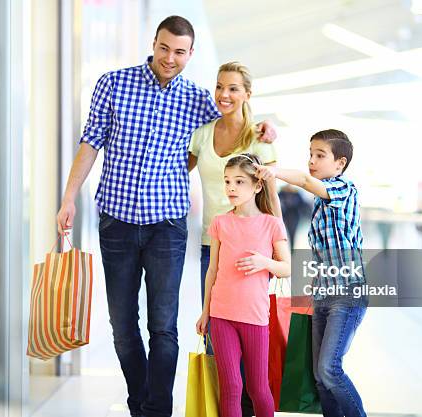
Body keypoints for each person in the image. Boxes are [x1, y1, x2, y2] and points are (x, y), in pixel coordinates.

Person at [55, 16, 275, 417]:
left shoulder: (197, 99)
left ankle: (156, 410)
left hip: (167, 227)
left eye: (179, 52)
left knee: (164, 327)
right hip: (117, 222)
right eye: (164, 48)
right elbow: (90, 143)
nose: (169, 58)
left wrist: (265, 127)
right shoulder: (113, 83)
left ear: (190, 54)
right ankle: (139, 401)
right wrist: (69, 197)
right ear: (153, 43)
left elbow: (234, 116)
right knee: (122, 327)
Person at [188, 61, 280, 416]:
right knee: (217, 339)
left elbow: (270, 194)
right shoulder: (202, 134)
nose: (224, 95)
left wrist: (277, 242)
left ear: (247, 94)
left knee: (251, 343)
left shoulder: (259, 137)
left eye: (233, 89)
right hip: (213, 244)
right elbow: (175, 170)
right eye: (220, 87)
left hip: (253, 250)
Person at [255, 129, 367, 417]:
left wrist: (274, 171)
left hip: (347, 294)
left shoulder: (344, 189)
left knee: (330, 369)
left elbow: (304, 181)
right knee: (319, 376)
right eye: (311, 154)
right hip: (322, 296)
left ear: (340, 163)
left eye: (320, 155)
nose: (312, 161)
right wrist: (268, 181)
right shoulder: (319, 200)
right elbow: (281, 215)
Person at [196, 154, 291, 417]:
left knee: (258, 388)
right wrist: (206, 312)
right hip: (221, 315)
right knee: (231, 385)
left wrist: (264, 262)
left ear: (257, 186)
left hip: (255, 317)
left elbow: (287, 268)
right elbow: (212, 270)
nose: (231, 188)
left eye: (239, 182)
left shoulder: (272, 224)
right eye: (227, 182)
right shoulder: (220, 222)